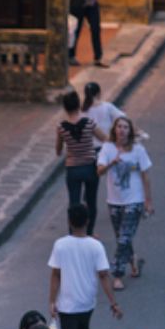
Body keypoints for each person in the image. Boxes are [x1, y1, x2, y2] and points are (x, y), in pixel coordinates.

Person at [48, 204, 122, 329]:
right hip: (87, 300)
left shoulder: (61, 245)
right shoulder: (95, 246)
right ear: (87, 221)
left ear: (70, 222)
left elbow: (56, 275)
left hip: (67, 301)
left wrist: (51, 300)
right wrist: (113, 302)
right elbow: (104, 275)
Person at [97, 116, 154, 291]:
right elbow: (99, 171)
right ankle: (133, 260)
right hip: (114, 201)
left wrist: (148, 201)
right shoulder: (107, 148)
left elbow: (145, 176)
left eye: (125, 127)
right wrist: (111, 163)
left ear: (130, 131)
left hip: (134, 200)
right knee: (122, 237)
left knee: (123, 238)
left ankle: (117, 275)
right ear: (114, 130)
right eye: (119, 127)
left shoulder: (138, 150)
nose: (122, 130)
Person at [55, 91, 107, 236]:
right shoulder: (89, 122)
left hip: (72, 169)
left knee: (74, 203)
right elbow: (104, 138)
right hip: (90, 167)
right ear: (78, 105)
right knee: (91, 202)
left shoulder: (61, 127)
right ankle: (89, 233)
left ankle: (73, 233)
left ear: (65, 108)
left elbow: (58, 151)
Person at [68, 0, 106, 68]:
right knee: (75, 30)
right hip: (78, 4)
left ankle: (98, 57)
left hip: (91, 3)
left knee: (95, 29)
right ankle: (71, 55)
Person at [81, 83, 123, 152]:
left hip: (90, 151)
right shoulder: (107, 106)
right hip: (107, 146)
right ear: (98, 94)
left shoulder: (83, 111)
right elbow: (122, 118)